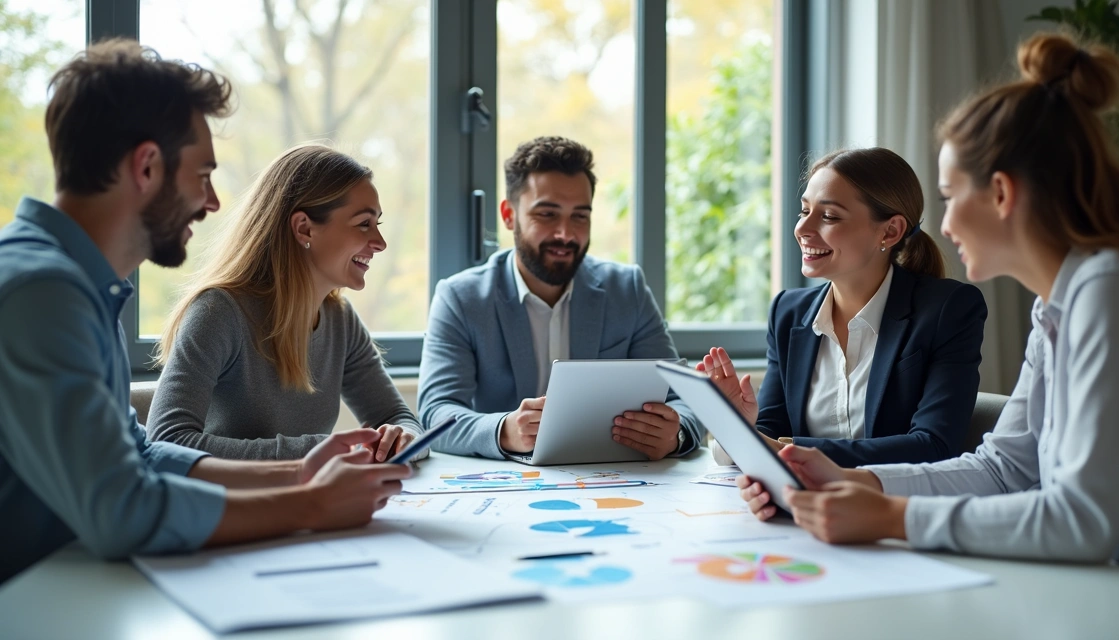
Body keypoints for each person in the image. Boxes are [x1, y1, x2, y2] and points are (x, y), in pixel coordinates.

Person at [738, 33, 1119, 592]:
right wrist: (856, 480)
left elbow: (1083, 521)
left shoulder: (1112, 295)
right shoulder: (1060, 303)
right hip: (1115, 583)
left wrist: (893, 516)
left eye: (947, 196)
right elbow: (1003, 470)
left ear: (1001, 194)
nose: (941, 226)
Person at [0, 40, 411, 584]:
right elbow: (122, 510)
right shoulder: (41, 292)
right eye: (201, 175)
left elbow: (141, 455)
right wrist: (309, 506)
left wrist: (300, 473)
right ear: (147, 166)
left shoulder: (81, 288)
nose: (213, 202)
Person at [419, 136, 703, 460]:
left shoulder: (627, 290)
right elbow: (435, 413)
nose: (565, 234)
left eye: (580, 216)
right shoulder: (460, 298)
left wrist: (675, 435)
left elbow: (683, 399)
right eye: (547, 214)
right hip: (506, 485)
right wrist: (504, 430)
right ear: (509, 215)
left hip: (612, 481)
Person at [699, 147, 987, 468]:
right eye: (804, 210)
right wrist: (738, 426)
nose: (803, 229)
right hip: (801, 506)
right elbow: (772, 432)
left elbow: (933, 446)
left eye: (829, 216)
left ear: (890, 231)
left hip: (895, 509)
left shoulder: (949, 309)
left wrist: (784, 449)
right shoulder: (788, 312)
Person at [147, 144, 425, 464]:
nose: (380, 242)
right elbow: (166, 441)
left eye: (378, 224)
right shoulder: (219, 312)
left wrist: (404, 438)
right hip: (227, 510)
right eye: (364, 224)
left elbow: (395, 415)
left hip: (302, 509)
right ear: (304, 228)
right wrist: (316, 453)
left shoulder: (340, 319)